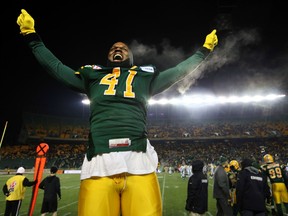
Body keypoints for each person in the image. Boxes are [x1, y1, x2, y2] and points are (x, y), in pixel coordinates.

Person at [16, 9, 218, 216]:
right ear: (107, 56)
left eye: (122, 47)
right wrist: (32, 36)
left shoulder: (143, 76)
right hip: (99, 164)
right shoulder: (93, 75)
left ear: (130, 56)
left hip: (138, 161)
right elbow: (57, 68)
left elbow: (177, 72)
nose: (117, 49)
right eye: (113, 48)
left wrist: (204, 51)